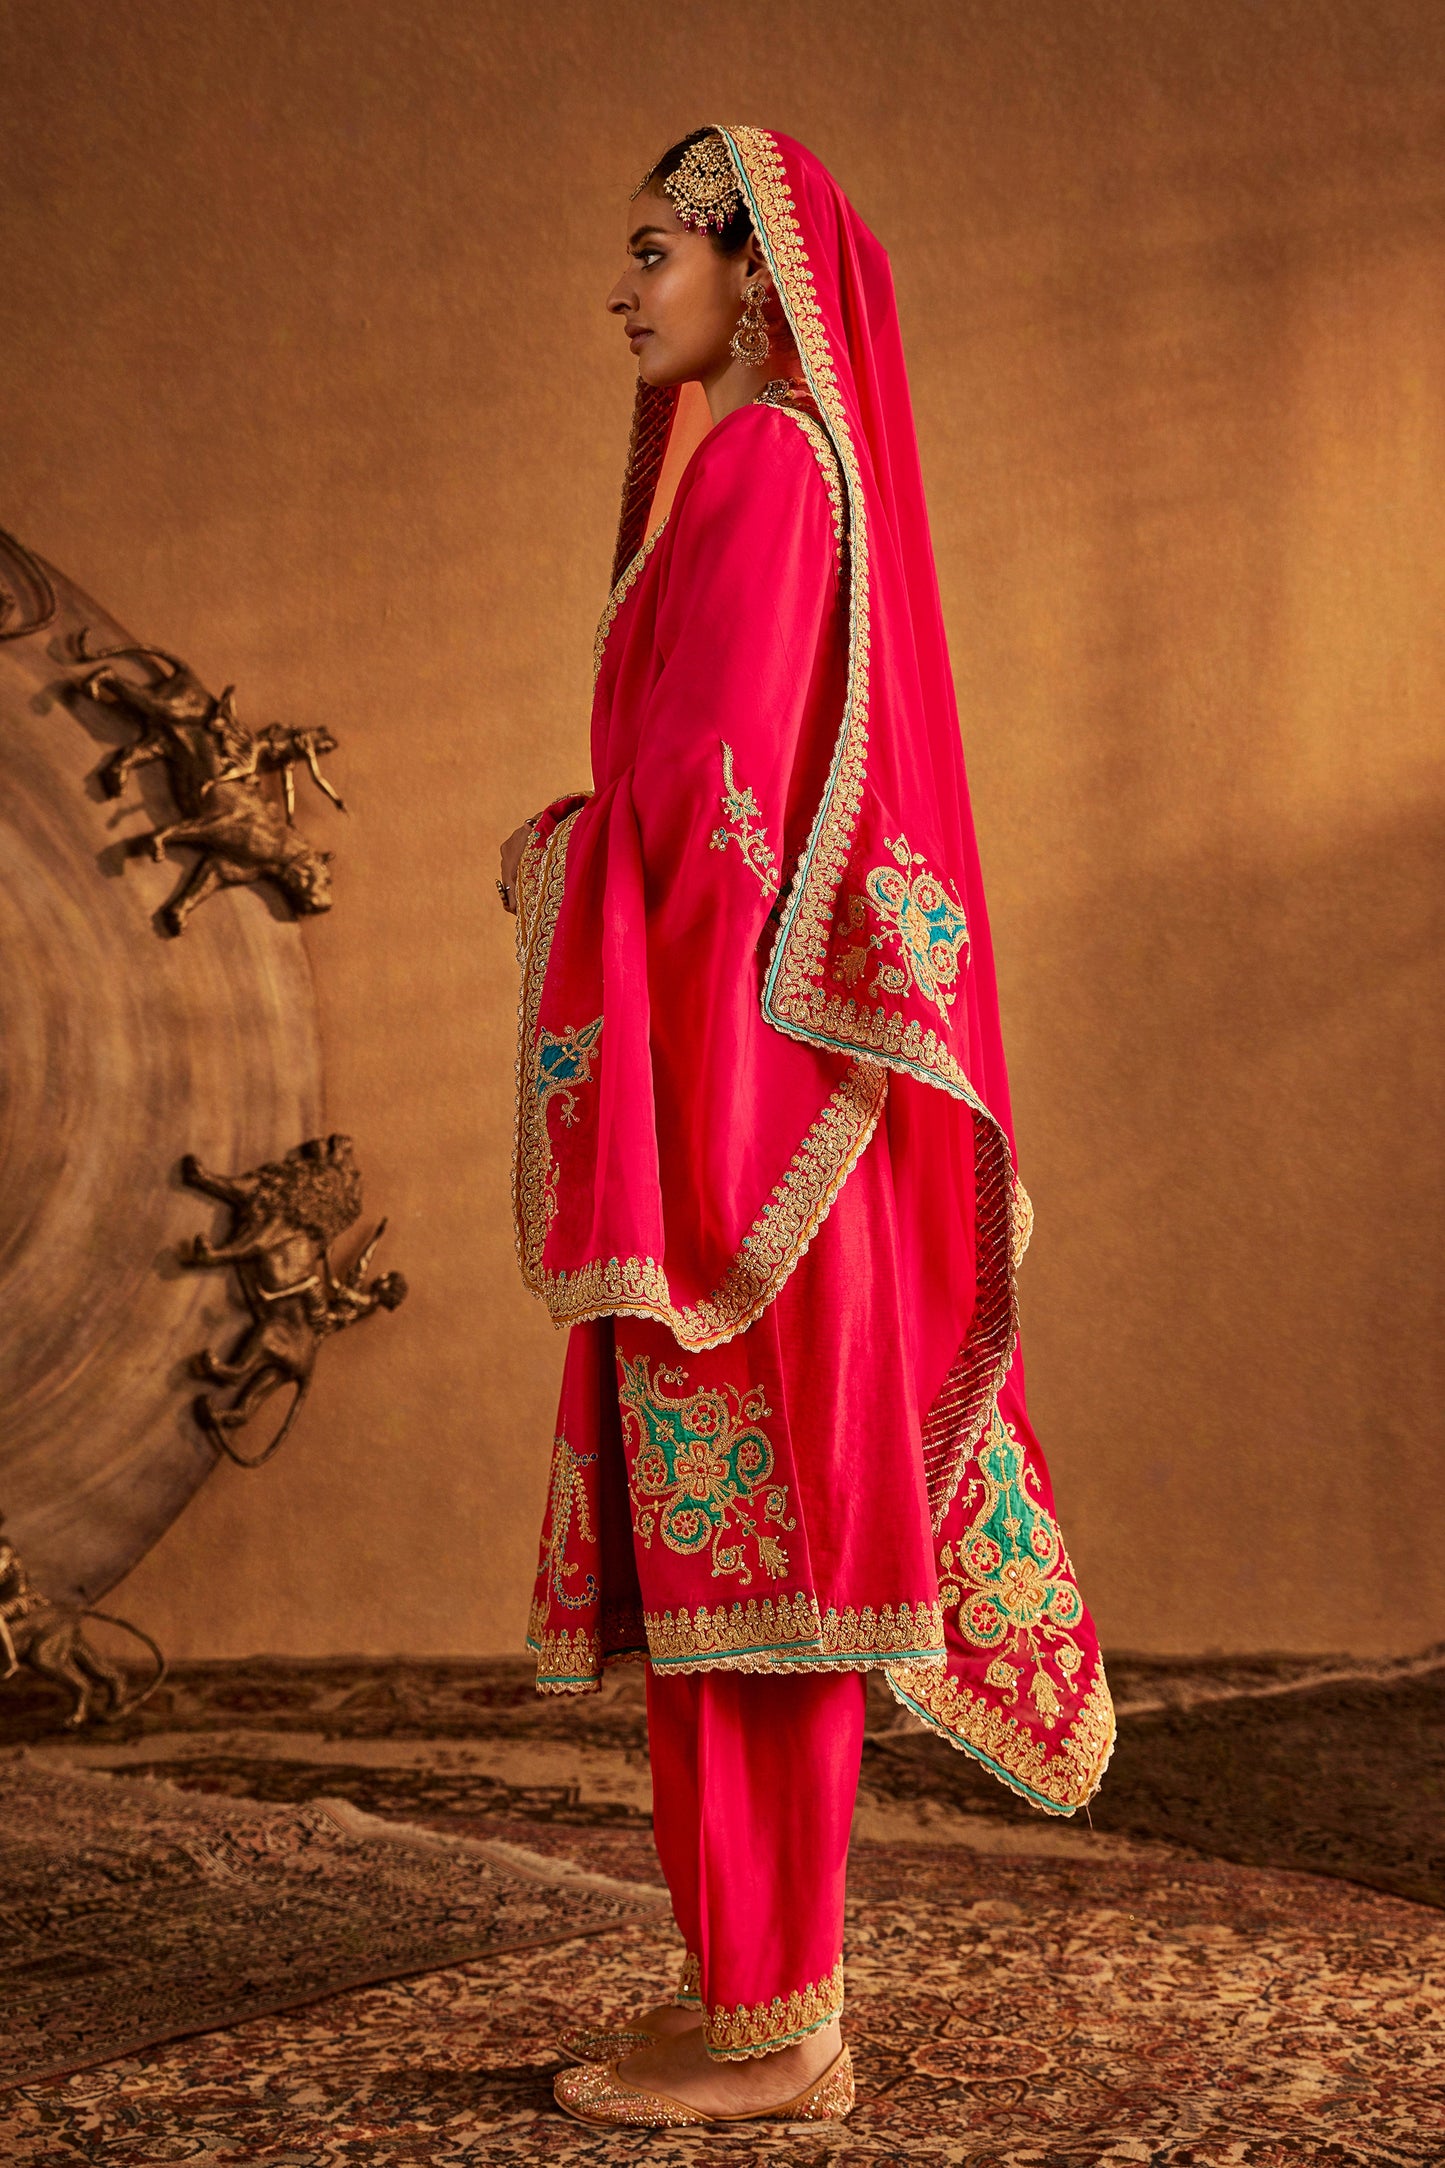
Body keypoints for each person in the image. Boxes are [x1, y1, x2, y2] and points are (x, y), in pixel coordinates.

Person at [496, 125, 1114, 2132]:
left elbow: (714, 800)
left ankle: (775, 2031)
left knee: (753, 1598)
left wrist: (563, 856)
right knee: (737, 1588)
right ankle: (754, 2001)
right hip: (764, 1113)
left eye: (653, 251)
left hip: (746, 1130)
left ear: (752, 272)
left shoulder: (766, 461)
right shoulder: (772, 463)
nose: (623, 291)